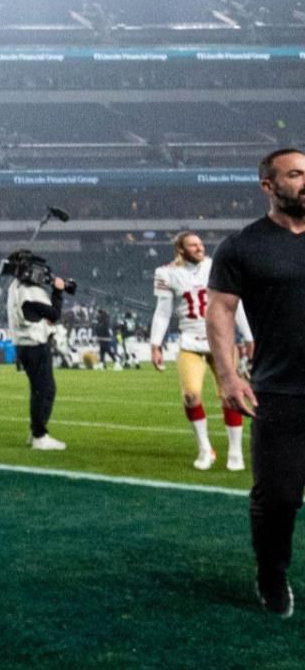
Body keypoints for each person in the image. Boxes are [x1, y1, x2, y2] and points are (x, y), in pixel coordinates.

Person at [207, 147, 305, 618]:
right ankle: (272, 575)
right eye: (295, 174)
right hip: (281, 390)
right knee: (280, 496)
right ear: (268, 185)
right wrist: (227, 374)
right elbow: (221, 310)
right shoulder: (242, 246)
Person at [151, 232, 249, 471]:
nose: (199, 248)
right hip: (189, 342)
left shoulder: (217, 267)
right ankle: (205, 448)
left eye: (200, 244)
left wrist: (248, 335)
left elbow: (234, 305)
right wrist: (156, 343)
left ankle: (235, 451)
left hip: (222, 341)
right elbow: (163, 312)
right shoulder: (167, 273)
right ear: (181, 250)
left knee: (230, 396)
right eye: (193, 245)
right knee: (191, 395)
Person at [3, 250, 70, 450]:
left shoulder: (15, 287)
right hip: (34, 345)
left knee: (38, 390)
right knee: (46, 390)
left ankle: (35, 432)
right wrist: (58, 292)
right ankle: (40, 435)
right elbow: (53, 315)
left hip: (23, 345)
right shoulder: (30, 292)